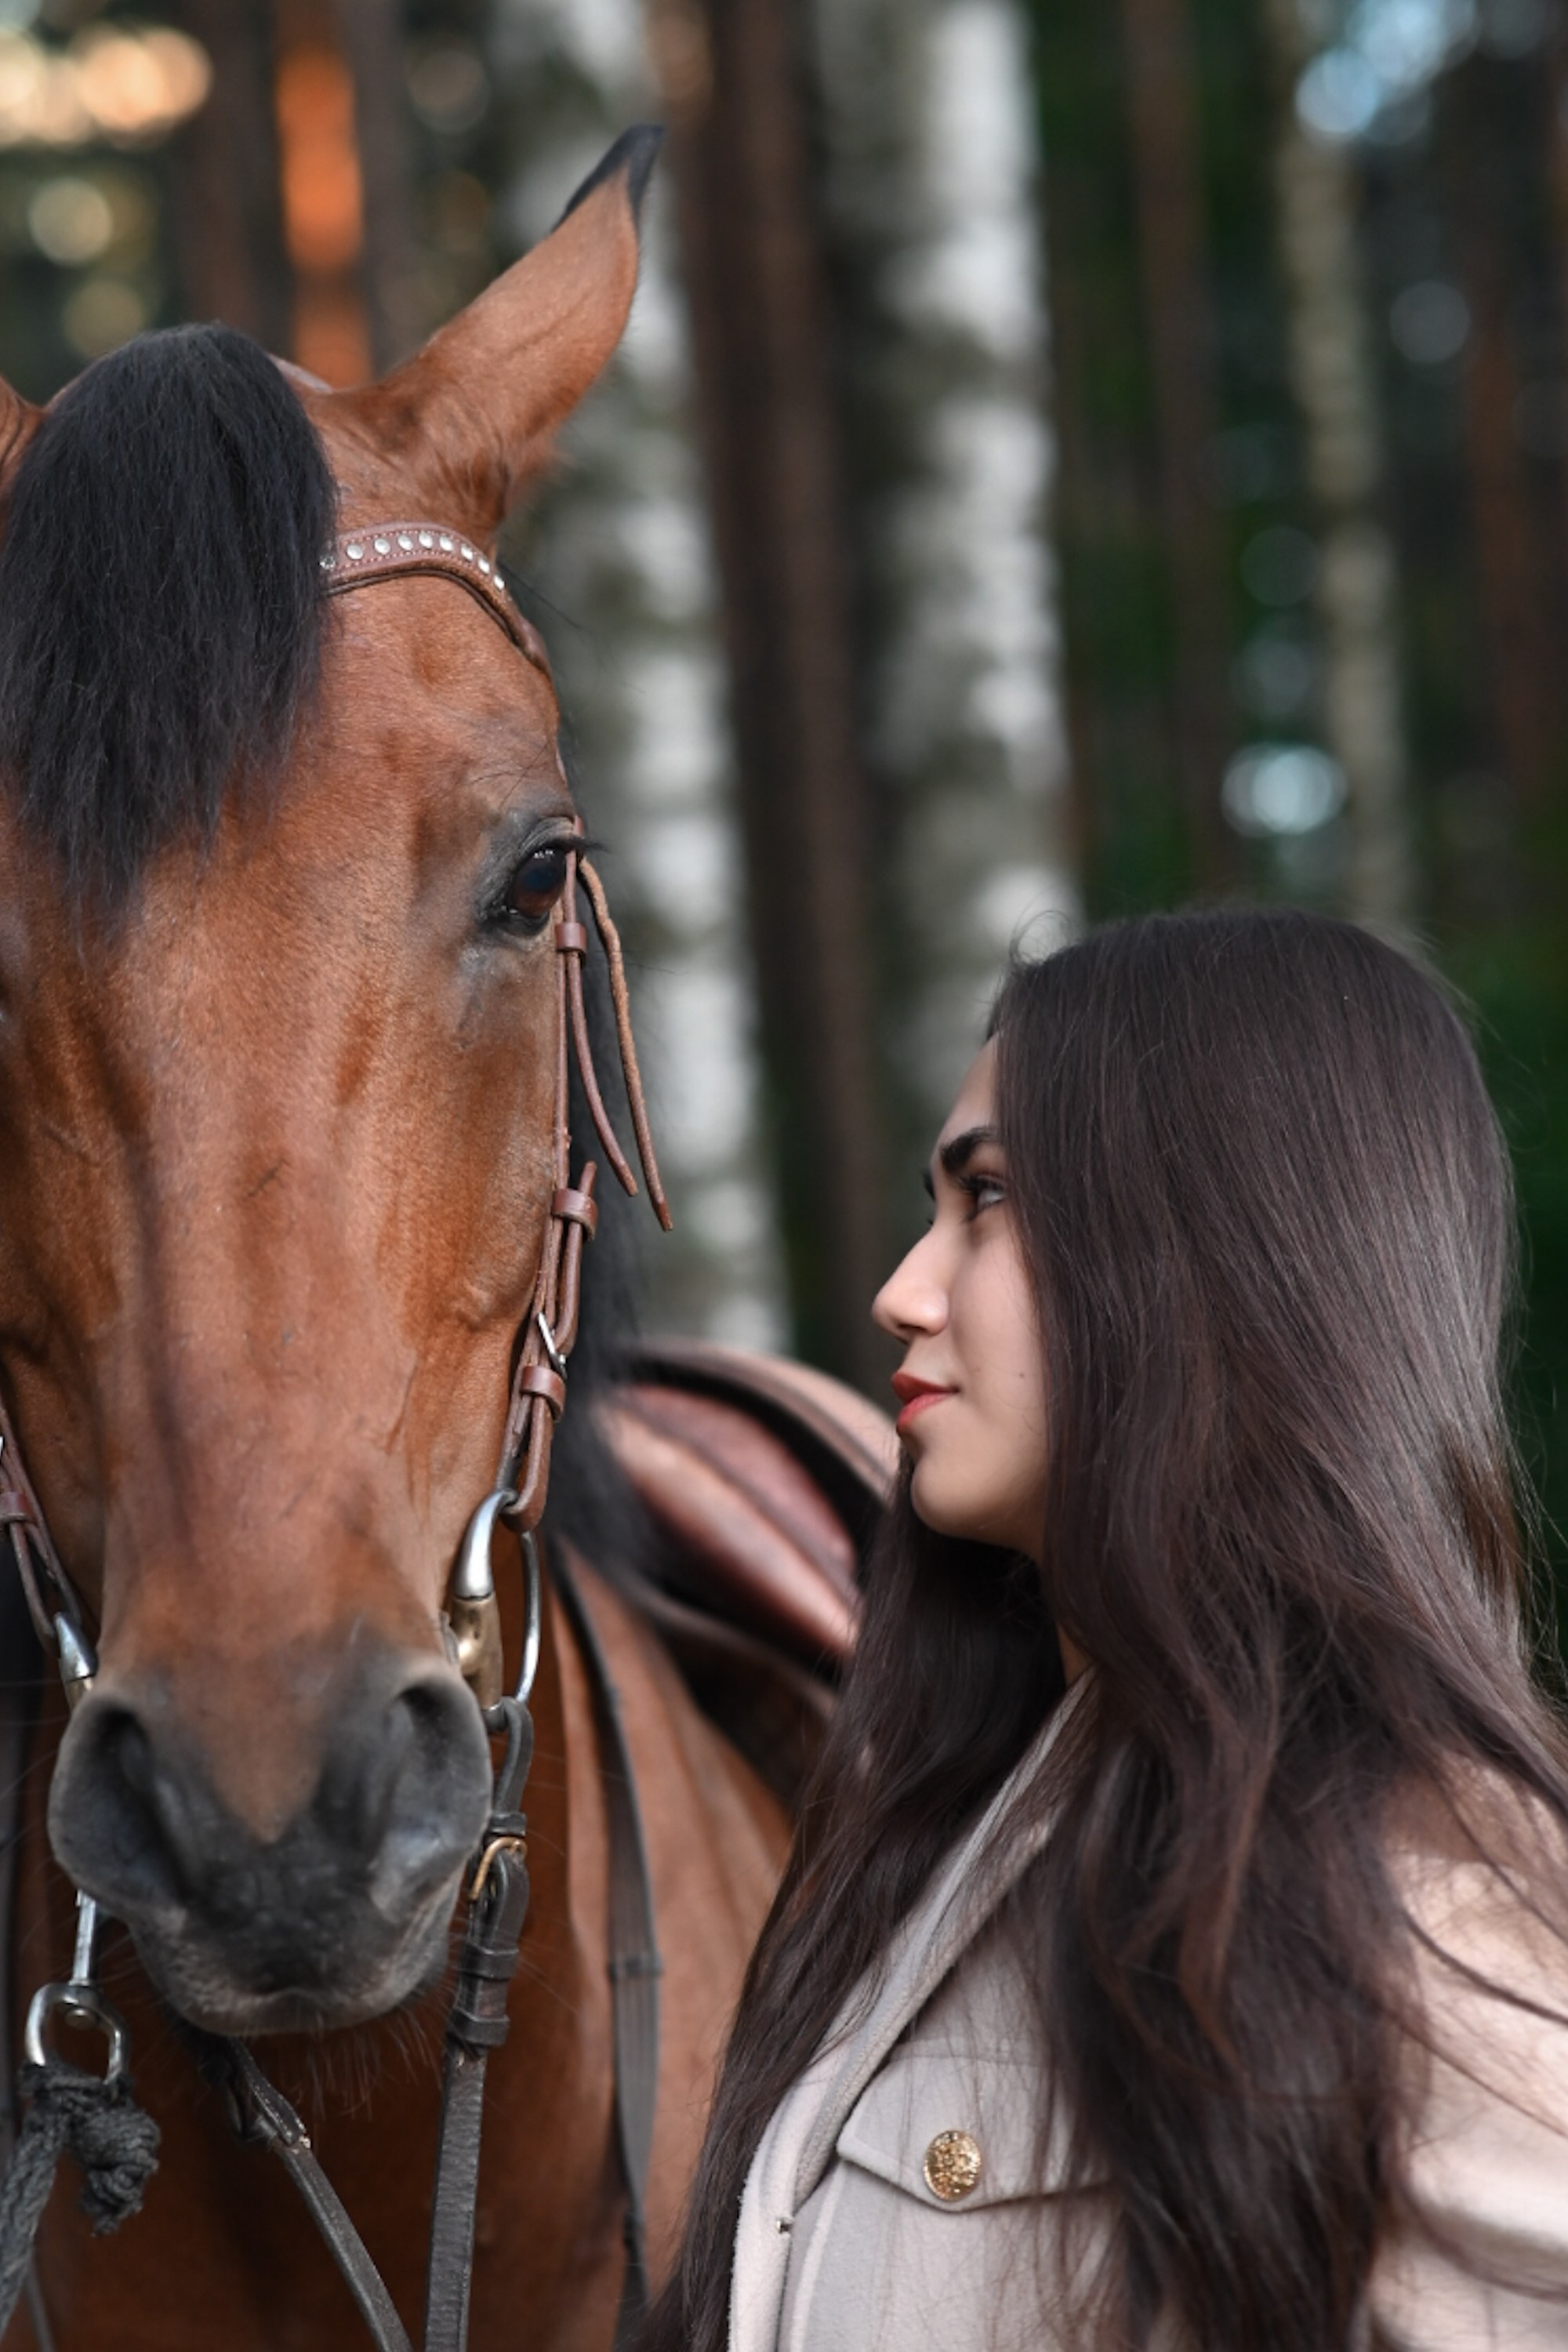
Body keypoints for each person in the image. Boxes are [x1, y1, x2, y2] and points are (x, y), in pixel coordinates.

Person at [642, 907, 1568, 2352]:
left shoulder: (1421, 1904)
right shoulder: (967, 1829)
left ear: (1225, 1241)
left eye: (988, 1198)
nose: (900, 1292)